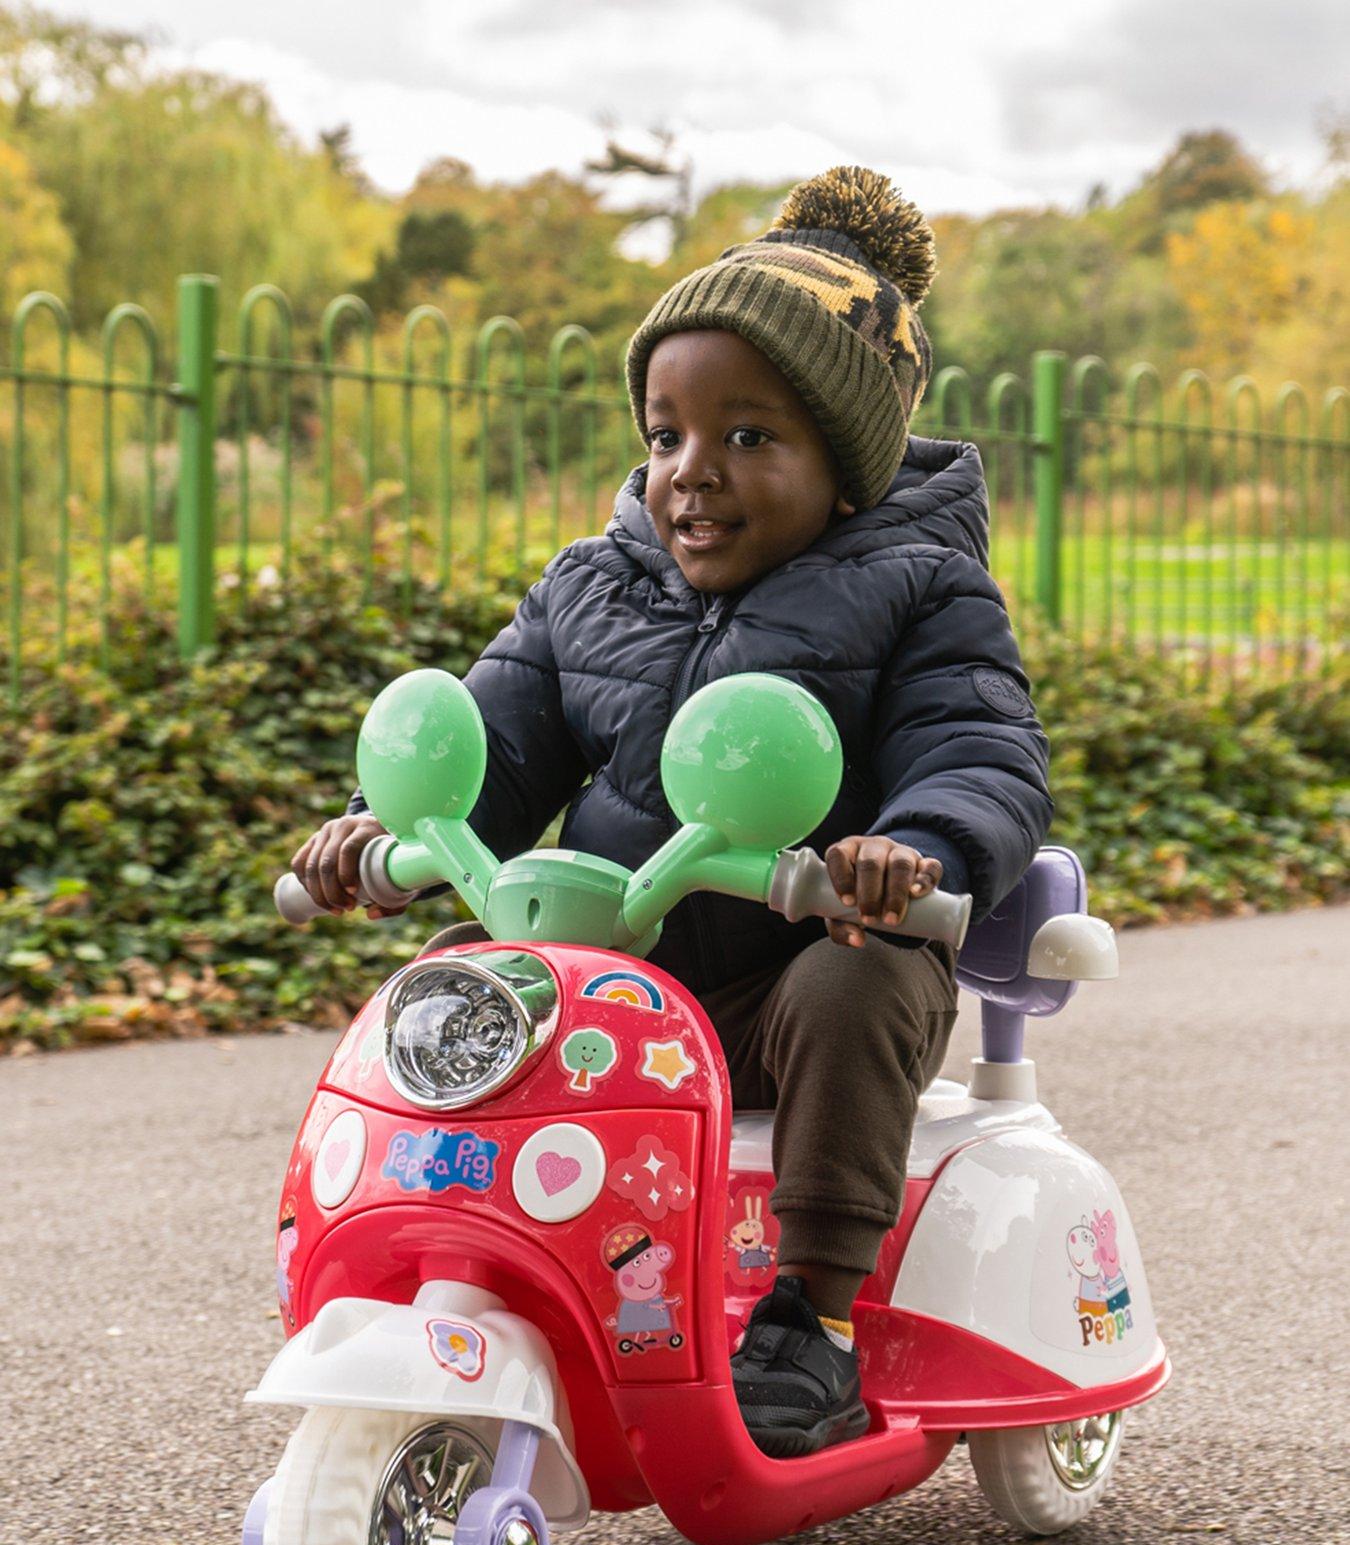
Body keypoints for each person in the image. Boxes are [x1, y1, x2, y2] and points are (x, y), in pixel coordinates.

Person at [291, 166, 1052, 1457]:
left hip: (787, 975)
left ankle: (812, 1319)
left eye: (748, 437)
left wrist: (907, 850)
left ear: (846, 465)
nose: (691, 474)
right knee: (459, 980)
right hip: (616, 982)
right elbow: (491, 736)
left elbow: (978, 745)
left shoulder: (920, 588)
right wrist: (381, 830)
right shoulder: (590, 586)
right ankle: (419, 1253)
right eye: (665, 436)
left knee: (856, 985)